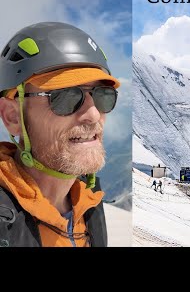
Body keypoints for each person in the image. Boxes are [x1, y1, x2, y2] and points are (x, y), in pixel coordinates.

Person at [0, 22, 120, 247]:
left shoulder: (89, 202)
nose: (94, 114)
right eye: (65, 97)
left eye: (103, 95)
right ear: (13, 116)